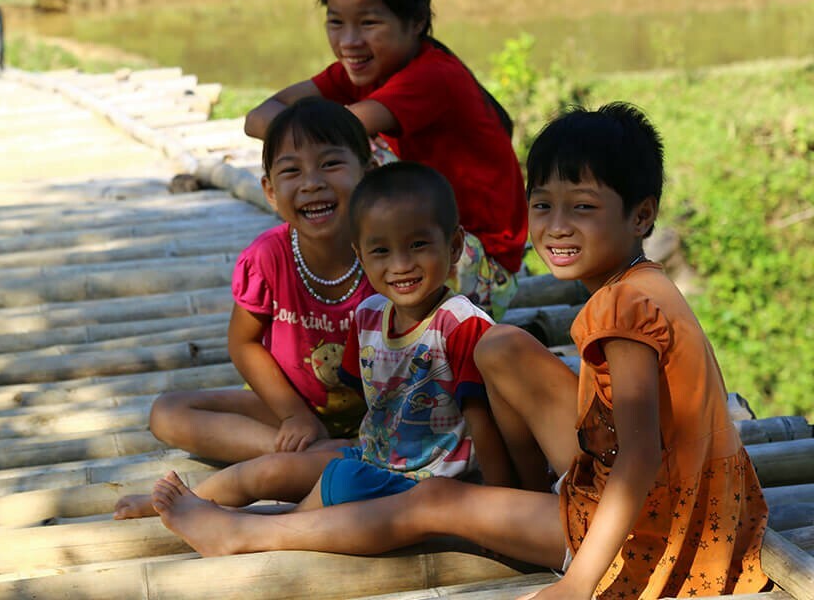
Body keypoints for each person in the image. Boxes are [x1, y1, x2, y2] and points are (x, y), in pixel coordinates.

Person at [150, 104, 770, 600]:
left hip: (654, 538)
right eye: (543, 206)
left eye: (583, 208)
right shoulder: (643, 286)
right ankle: (517, 501)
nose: (556, 227)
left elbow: (637, 458)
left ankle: (245, 535)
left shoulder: (622, 307)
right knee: (501, 346)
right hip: (687, 511)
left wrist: (578, 583)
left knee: (434, 502)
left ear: (641, 216)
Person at [115, 163, 512, 520]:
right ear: (361, 254)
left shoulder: (460, 326)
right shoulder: (371, 314)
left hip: (429, 483)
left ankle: (254, 525)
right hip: (372, 457)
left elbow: (484, 427)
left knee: (339, 485)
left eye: (418, 246)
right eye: (381, 251)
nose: (401, 264)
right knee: (271, 469)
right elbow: (374, 407)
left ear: (455, 245)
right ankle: (185, 500)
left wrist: (497, 509)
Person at [113, 97, 377, 519]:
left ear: (370, 173)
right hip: (291, 404)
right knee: (168, 412)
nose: (311, 183)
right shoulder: (268, 257)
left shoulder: (387, 252)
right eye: (291, 171)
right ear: (270, 191)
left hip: (379, 418)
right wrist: (293, 416)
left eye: (330, 164)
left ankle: (314, 460)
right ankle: (308, 453)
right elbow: (243, 343)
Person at [243, 0, 527, 319]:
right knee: (328, 152)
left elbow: (337, 132)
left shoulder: (432, 76)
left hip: (474, 259)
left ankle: (339, 309)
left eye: (369, 23)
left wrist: (303, 140)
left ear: (417, 21)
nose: (349, 42)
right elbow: (256, 118)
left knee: (345, 155)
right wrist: (304, 135)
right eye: (336, 23)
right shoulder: (362, 71)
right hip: (420, 237)